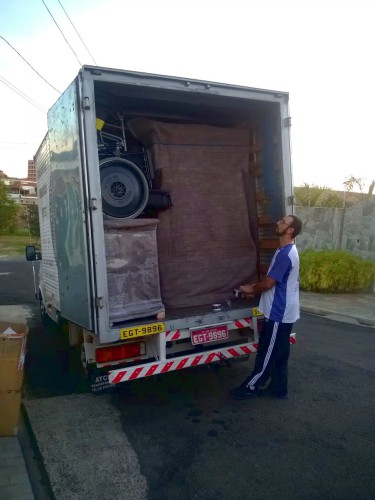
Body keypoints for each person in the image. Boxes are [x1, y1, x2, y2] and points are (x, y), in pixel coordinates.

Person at [230, 214, 303, 400]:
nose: (278, 222)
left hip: (279, 313)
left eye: (283, 222)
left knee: (267, 354)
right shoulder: (284, 250)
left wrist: (251, 289)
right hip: (283, 312)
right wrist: (254, 288)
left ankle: (251, 386)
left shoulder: (286, 255)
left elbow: (268, 283)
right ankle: (279, 389)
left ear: (290, 230)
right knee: (279, 354)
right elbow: (272, 282)